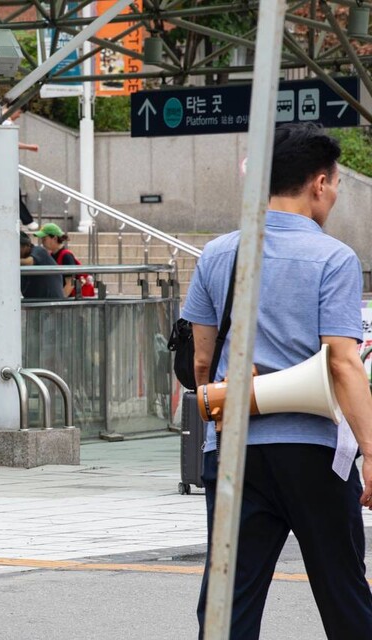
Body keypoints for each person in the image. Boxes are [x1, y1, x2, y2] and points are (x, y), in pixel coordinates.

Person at [182, 123, 372, 639]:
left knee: (229, 599)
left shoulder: (218, 253)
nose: (333, 193)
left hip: (233, 446)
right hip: (313, 449)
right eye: (334, 183)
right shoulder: (333, 257)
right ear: (318, 183)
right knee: (343, 591)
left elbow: (201, 362)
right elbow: (343, 362)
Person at [34, 223, 94, 298]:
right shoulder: (52, 255)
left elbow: (70, 284)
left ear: (55, 238)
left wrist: (59, 301)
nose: (42, 242)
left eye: (44, 239)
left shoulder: (66, 256)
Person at [20, 231, 64, 300]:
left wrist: (8, 262)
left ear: (27, 246)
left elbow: (29, 262)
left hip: (51, 302)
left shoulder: (39, 250)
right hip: (35, 303)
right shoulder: (20, 263)